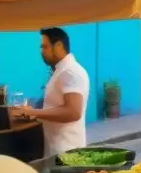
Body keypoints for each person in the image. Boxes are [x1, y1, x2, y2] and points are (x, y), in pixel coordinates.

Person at [11, 27, 90, 155]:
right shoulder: (61, 71)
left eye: (45, 47)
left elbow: (73, 112)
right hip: (58, 150)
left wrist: (34, 112)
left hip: (67, 153)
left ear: (58, 46)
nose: (41, 52)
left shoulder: (70, 72)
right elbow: (55, 106)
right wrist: (31, 111)